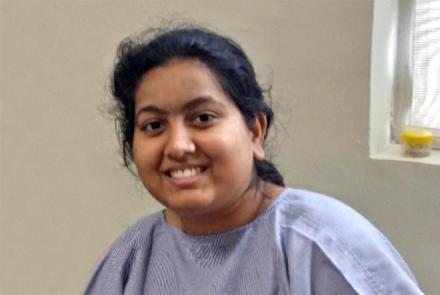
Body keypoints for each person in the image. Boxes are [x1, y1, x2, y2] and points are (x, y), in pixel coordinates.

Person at [85, 25, 423, 294]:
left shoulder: (323, 244)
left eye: (202, 118)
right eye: (154, 125)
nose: (178, 146)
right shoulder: (132, 259)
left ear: (254, 131)